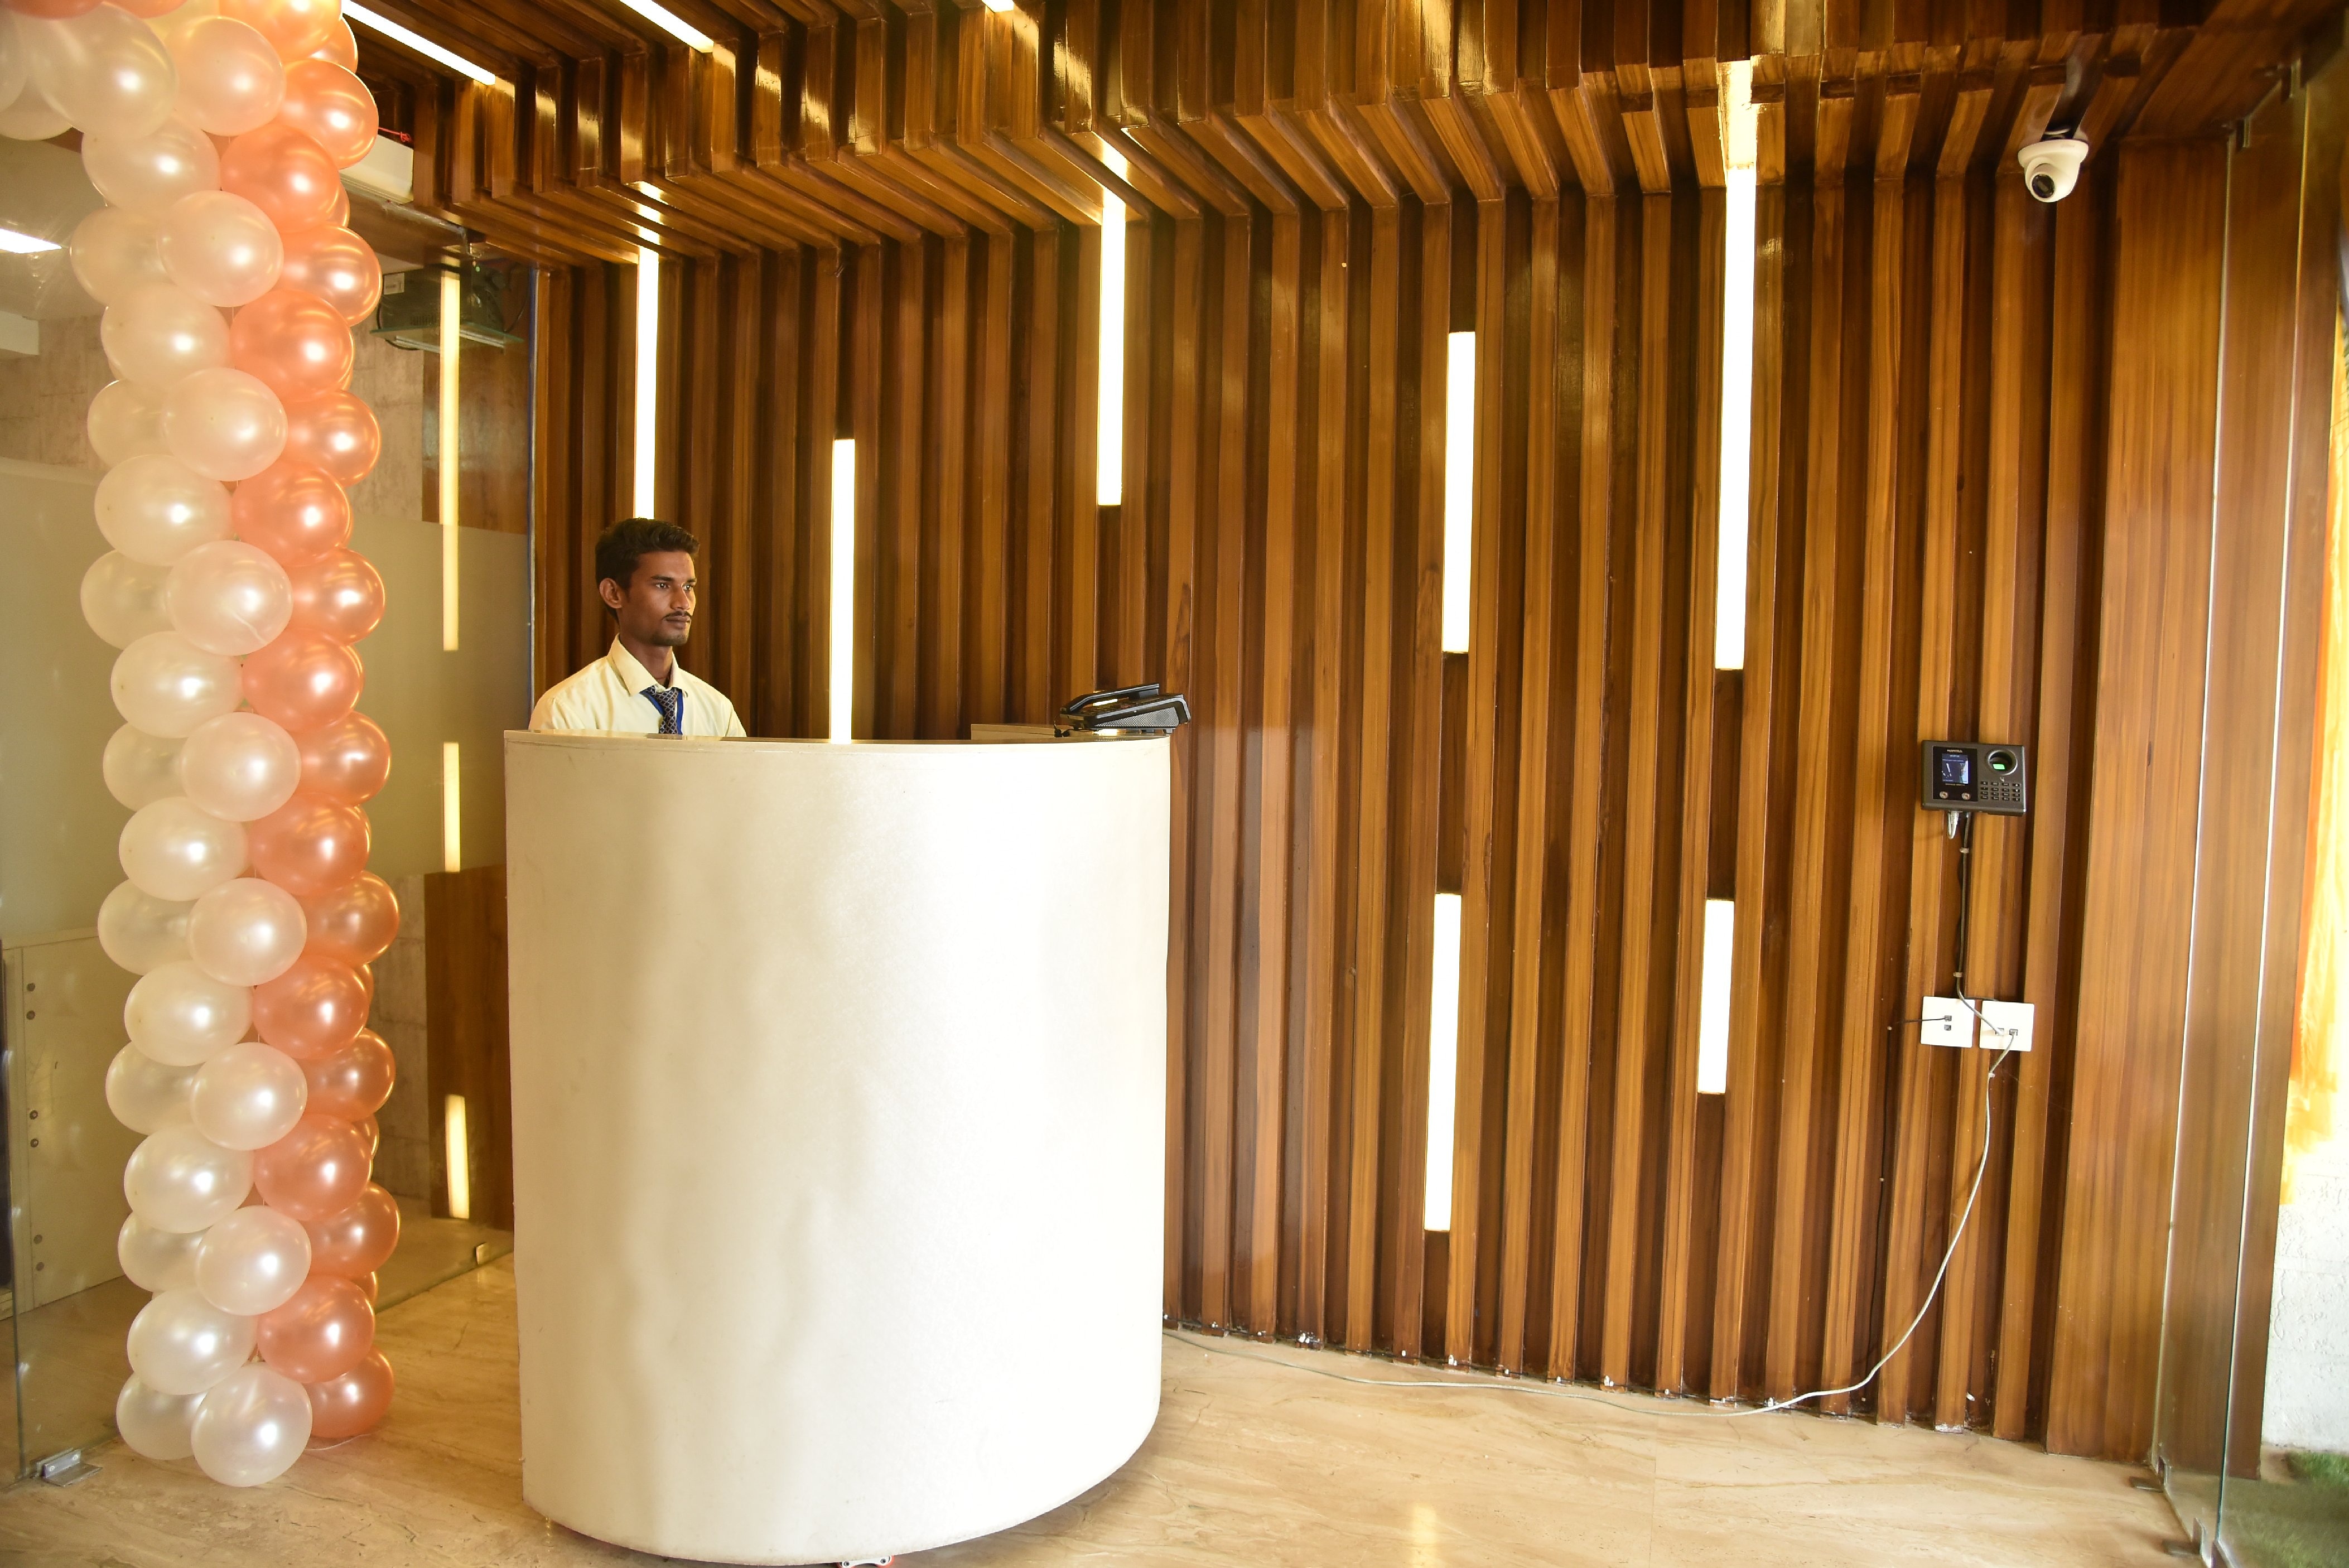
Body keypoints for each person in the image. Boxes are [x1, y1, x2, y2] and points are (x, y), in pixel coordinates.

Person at [528, 518, 748, 737]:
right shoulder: (568, 711)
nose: (683, 603)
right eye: (663, 585)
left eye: (688, 587)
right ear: (613, 594)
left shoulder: (718, 711)